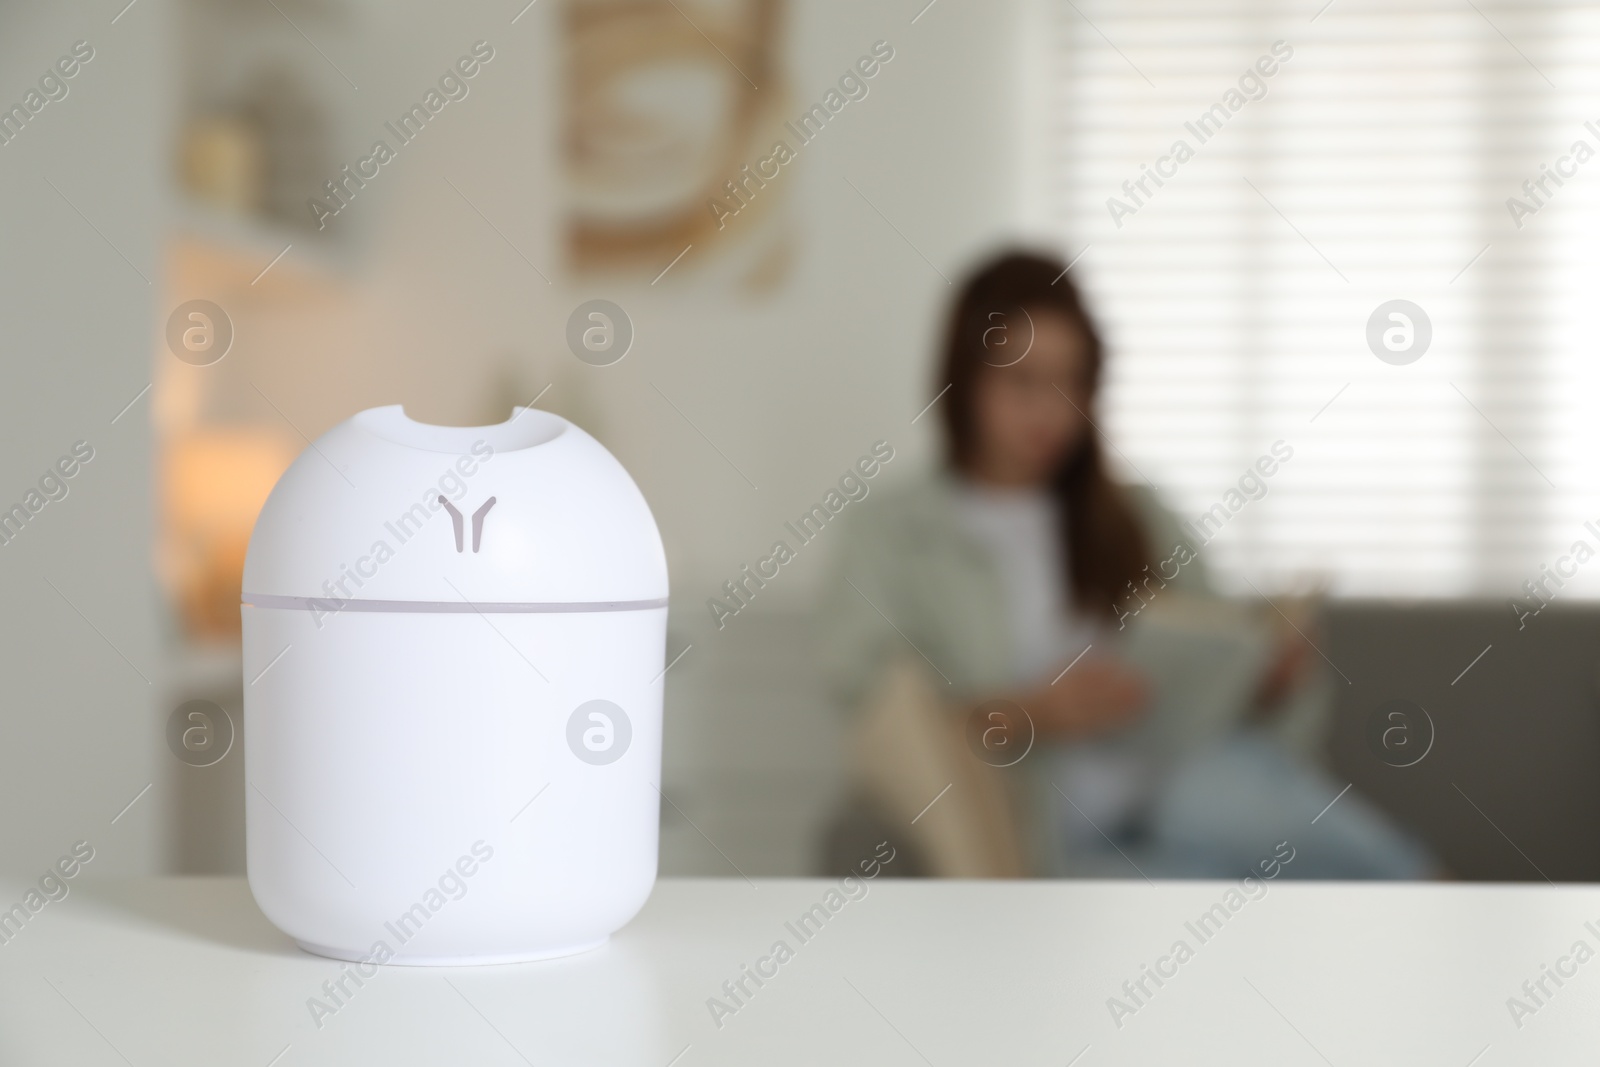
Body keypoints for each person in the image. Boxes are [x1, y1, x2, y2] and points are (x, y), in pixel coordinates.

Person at [817, 250, 1432, 879]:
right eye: (1023, 382)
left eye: (1072, 383)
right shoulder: (892, 535)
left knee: (1218, 803)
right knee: (1192, 885)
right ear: (962, 378)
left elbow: (1218, 658)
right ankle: (1436, 900)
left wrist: (1268, 678)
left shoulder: (1139, 513)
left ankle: (1435, 900)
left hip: (1183, 783)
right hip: (1061, 836)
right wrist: (1030, 713)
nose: (1050, 413)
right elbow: (880, 718)